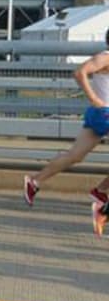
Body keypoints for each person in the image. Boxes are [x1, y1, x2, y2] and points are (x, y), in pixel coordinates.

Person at [25, 29, 109, 211]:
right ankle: (101, 190)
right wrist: (94, 99)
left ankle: (35, 181)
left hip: (99, 113)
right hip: (104, 113)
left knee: (75, 156)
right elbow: (80, 72)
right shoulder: (105, 57)